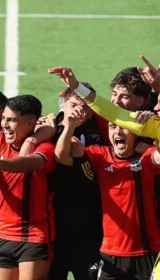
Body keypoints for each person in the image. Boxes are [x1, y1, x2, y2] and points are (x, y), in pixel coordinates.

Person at [50, 66, 160, 280]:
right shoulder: (100, 154)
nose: (116, 102)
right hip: (110, 251)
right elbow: (101, 109)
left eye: (124, 96)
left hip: (147, 251)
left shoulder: (147, 152)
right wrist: (68, 118)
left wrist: (153, 134)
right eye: (114, 96)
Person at [0, 94, 56, 280]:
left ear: (30, 123)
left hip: (34, 236)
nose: (4, 124)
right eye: (3, 118)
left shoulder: (45, 147)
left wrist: (2, 164)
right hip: (2, 234)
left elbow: (32, 163)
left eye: (11, 120)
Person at [48, 86, 103, 280]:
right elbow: (60, 157)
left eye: (86, 107)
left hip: (88, 227)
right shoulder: (49, 130)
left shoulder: (97, 135)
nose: (80, 111)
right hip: (55, 227)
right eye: (73, 105)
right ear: (63, 105)